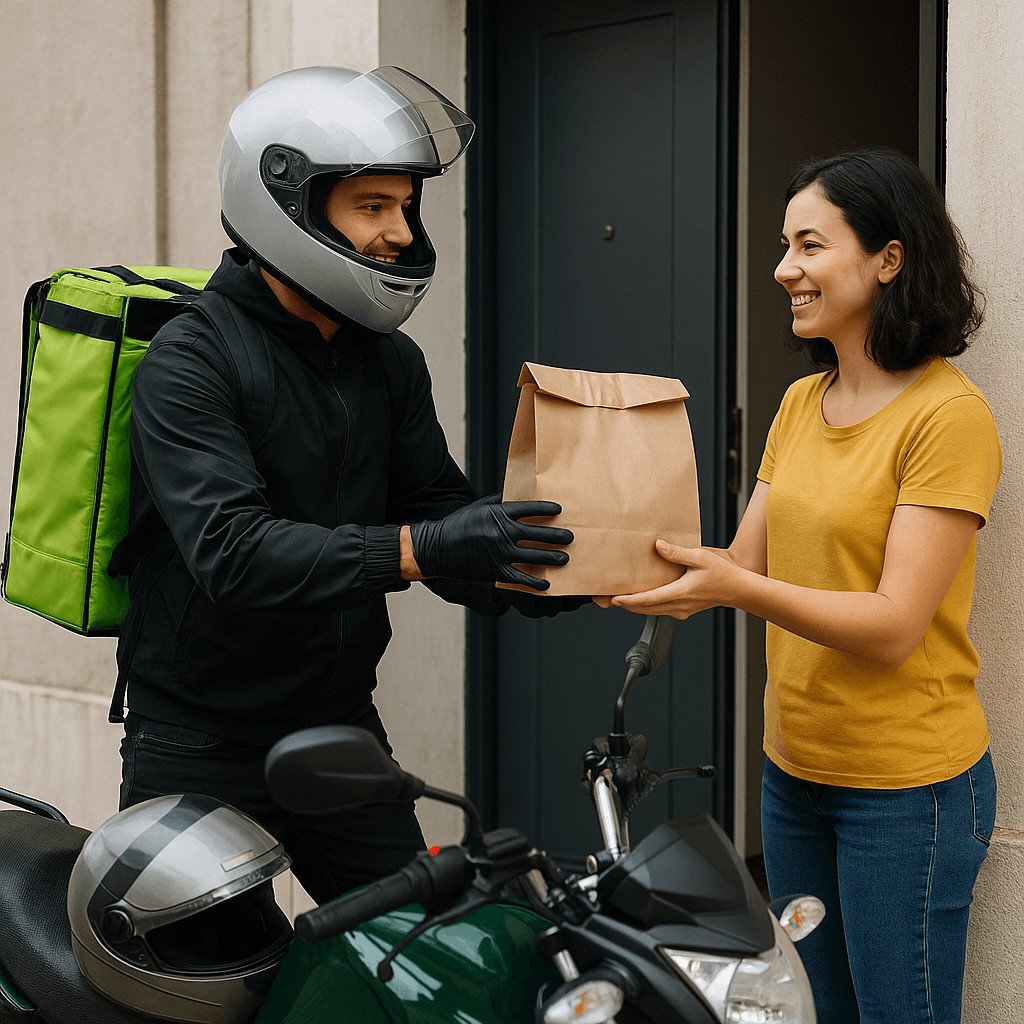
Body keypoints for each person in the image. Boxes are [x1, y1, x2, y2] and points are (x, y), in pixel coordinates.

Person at [113, 66, 582, 905]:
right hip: (197, 740)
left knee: (418, 943)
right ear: (285, 205)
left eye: (406, 206)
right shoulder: (190, 361)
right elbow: (233, 553)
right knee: (208, 971)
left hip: (336, 729)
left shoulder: (388, 361)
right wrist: (425, 547)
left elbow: (435, 510)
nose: (399, 232)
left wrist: (531, 571)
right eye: (372, 207)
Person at [600, 148, 1000, 1023]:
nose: (785, 268)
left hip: (908, 794)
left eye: (810, 245)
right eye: (786, 246)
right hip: (794, 773)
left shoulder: (948, 416)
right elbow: (743, 564)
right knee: (805, 1010)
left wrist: (733, 588)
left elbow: (893, 626)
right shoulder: (799, 403)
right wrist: (629, 572)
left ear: (888, 259)